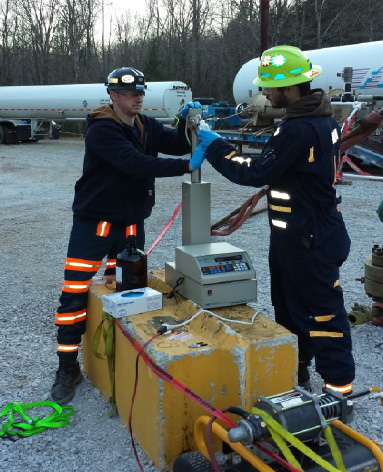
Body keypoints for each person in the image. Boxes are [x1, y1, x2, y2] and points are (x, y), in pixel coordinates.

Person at [197, 45, 355, 395]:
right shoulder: (318, 117)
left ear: (289, 87)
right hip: (296, 235)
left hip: (308, 238)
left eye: (269, 87)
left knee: (322, 315)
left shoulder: (299, 129)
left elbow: (255, 172)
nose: (264, 94)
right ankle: (296, 370)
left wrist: (216, 147)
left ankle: (338, 392)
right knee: (290, 308)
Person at [51, 67, 204, 404]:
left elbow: (177, 143)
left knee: (128, 291)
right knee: (75, 294)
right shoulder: (102, 130)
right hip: (95, 225)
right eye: (131, 93)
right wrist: (186, 166)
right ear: (113, 96)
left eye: (141, 93)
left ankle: (120, 355)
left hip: (132, 222)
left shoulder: (144, 124)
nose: (138, 98)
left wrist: (188, 123)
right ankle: (67, 367)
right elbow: (134, 163)